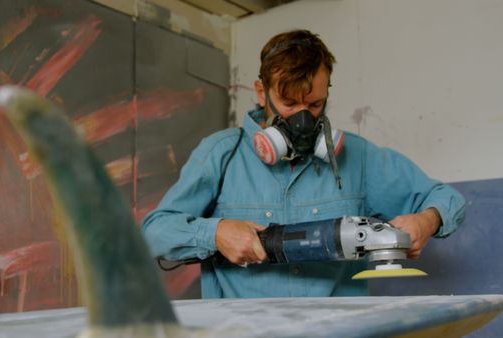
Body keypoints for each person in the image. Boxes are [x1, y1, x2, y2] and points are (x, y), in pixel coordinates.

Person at [141, 29, 465, 298]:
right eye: (289, 102)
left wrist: (428, 220)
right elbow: (153, 233)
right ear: (261, 92)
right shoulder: (221, 154)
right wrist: (215, 233)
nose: (302, 118)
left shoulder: (358, 157)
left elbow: (445, 198)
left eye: (314, 104)